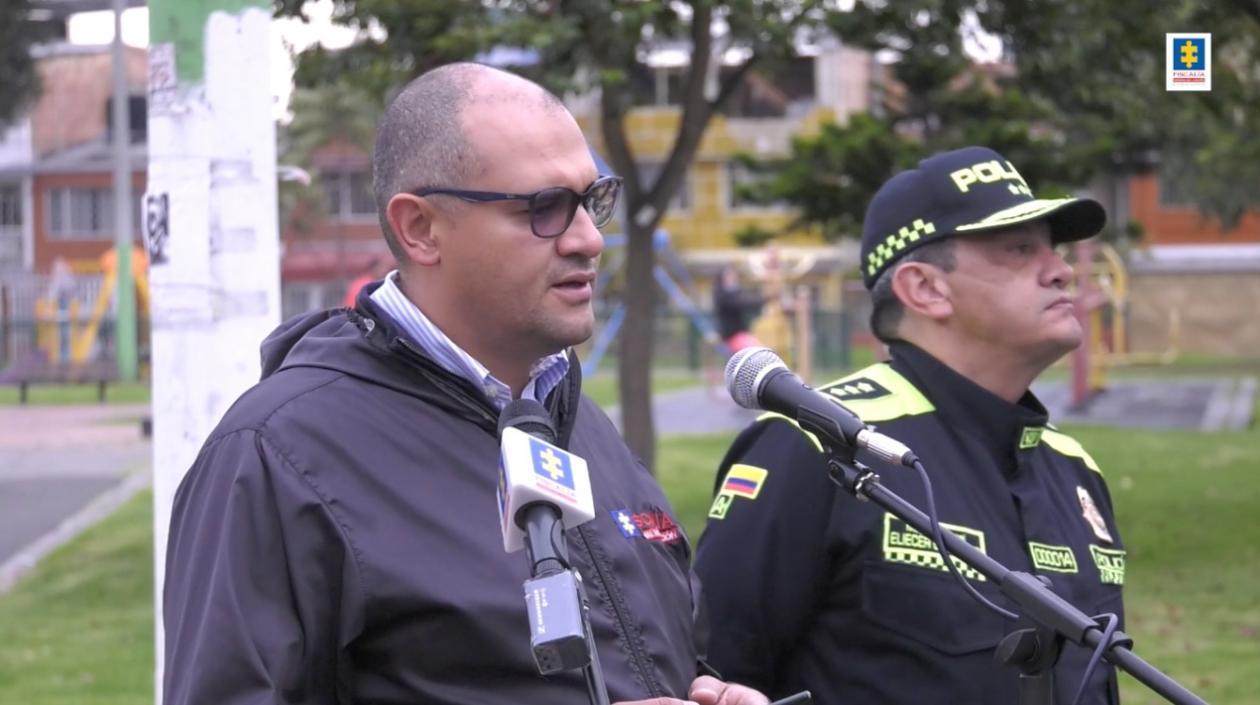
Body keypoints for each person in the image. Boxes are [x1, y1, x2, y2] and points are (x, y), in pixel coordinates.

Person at [162, 63, 768, 705]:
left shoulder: (576, 422)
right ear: (420, 229)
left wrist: (707, 689)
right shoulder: (277, 455)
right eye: (545, 208)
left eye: (592, 201)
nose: (590, 240)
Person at [694, 146, 1125, 705]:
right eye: (1020, 249)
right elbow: (716, 675)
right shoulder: (819, 444)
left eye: (1055, 250)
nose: (1062, 270)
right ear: (925, 288)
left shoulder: (1075, 469)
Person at [712, 264, 763, 353]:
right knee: (756, 351)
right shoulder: (723, 295)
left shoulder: (733, 292)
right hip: (731, 334)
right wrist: (763, 299)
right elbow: (741, 302)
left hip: (740, 333)